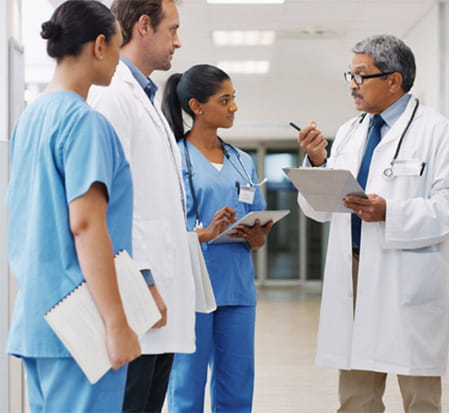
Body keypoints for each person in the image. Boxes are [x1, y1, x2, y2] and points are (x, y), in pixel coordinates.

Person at [295, 34, 449, 413]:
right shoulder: (350, 132)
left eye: (361, 76)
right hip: (355, 269)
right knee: (356, 395)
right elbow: (324, 210)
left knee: (420, 397)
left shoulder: (437, 132)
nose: (352, 84)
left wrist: (390, 212)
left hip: (407, 275)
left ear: (394, 80)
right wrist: (316, 165)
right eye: (351, 75)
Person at [5, 1, 141, 411]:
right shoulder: (85, 123)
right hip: (82, 323)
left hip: (38, 318)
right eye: (118, 47)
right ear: (99, 45)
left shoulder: (30, 119)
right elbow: (86, 226)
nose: (119, 60)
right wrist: (117, 323)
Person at [87, 1, 196, 412]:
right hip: (136, 295)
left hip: (154, 299)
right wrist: (143, 279)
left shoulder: (143, 98)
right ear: (145, 26)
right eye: (173, 30)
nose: (178, 42)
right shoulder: (114, 97)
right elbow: (105, 204)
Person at [161, 64, 272, 413]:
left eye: (233, 98)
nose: (233, 107)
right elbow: (159, 228)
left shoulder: (241, 161)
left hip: (237, 287)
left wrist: (256, 236)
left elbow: (257, 213)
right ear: (197, 106)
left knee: (237, 386)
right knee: (186, 387)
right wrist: (203, 233)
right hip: (193, 286)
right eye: (225, 100)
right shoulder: (173, 158)